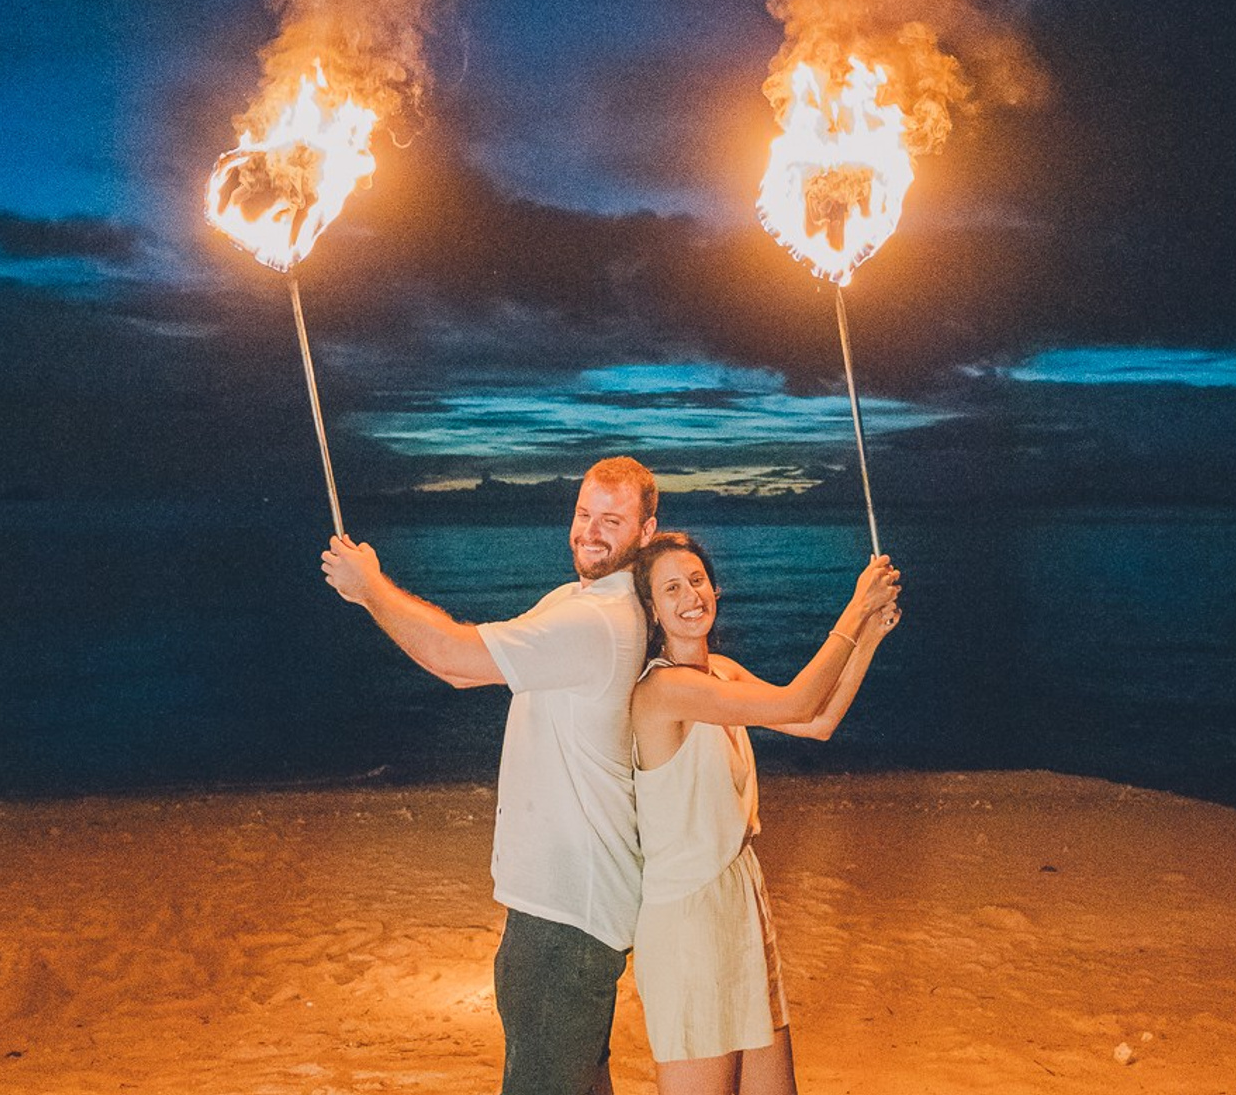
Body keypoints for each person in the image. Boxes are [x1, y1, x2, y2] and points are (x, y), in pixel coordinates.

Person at [320, 456, 659, 1095]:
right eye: (584, 513)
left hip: (568, 911)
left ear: (646, 532)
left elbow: (452, 657)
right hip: (563, 903)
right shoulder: (576, 601)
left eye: (612, 520)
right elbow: (468, 666)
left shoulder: (597, 621)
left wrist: (370, 588)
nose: (590, 530)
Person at [629, 532, 901, 1095]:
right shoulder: (662, 690)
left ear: (715, 589)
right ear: (652, 611)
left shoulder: (721, 672)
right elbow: (795, 701)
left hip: (742, 899)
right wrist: (855, 606)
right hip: (688, 917)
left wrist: (869, 637)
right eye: (671, 588)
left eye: (697, 581)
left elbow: (815, 721)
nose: (690, 596)